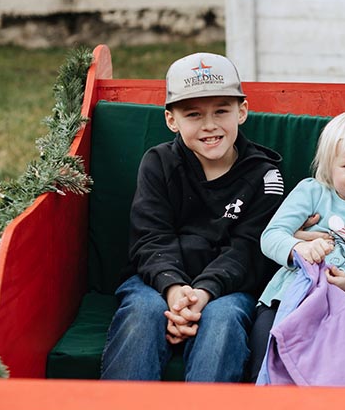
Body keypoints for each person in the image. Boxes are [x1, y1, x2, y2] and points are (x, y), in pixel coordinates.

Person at [101, 52, 284, 382]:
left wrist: (203, 293)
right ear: (172, 120)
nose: (210, 125)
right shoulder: (158, 163)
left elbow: (248, 250)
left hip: (228, 289)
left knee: (224, 320)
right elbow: (151, 238)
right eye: (194, 114)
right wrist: (174, 290)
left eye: (221, 111)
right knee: (143, 312)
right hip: (156, 282)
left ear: (242, 111)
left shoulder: (265, 175)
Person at [249, 109, 345, 380]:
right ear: (330, 166)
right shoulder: (313, 192)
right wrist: (299, 248)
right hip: (284, 298)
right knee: (267, 363)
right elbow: (272, 235)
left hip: (335, 309)